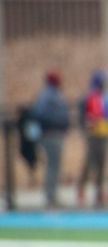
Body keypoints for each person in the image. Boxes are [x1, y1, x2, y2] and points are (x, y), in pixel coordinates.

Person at [30, 69, 70, 208]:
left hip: (56, 133)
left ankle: (52, 194)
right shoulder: (46, 95)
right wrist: (53, 123)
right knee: (52, 165)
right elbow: (39, 113)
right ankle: (50, 196)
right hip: (50, 133)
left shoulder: (54, 94)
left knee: (55, 165)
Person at [76, 69, 108, 207]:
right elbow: (82, 117)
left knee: (101, 163)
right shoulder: (88, 97)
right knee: (90, 162)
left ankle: (99, 191)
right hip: (92, 134)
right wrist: (85, 127)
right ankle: (81, 187)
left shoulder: (106, 97)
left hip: (103, 133)